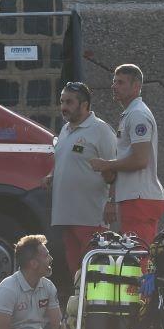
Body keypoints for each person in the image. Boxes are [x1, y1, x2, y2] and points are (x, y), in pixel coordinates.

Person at [88, 64, 164, 246]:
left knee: (138, 256)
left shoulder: (138, 114)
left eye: (121, 82)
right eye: (114, 81)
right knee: (135, 254)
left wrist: (107, 165)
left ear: (136, 86)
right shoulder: (130, 114)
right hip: (135, 197)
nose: (114, 86)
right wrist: (112, 197)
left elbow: (140, 160)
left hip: (139, 198)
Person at [47, 82, 117, 277]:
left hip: (91, 214)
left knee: (94, 268)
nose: (63, 107)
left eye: (69, 102)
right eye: (62, 101)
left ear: (84, 105)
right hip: (66, 214)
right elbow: (65, 159)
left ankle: (93, 306)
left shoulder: (101, 130)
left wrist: (112, 202)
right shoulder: (65, 130)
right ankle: (78, 305)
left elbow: (115, 168)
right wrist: (52, 175)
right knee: (75, 269)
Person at [0, 235, 66, 329]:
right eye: (46, 256)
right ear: (33, 264)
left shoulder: (48, 286)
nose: (51, 259)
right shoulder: (7, 288)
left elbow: (57, 325)